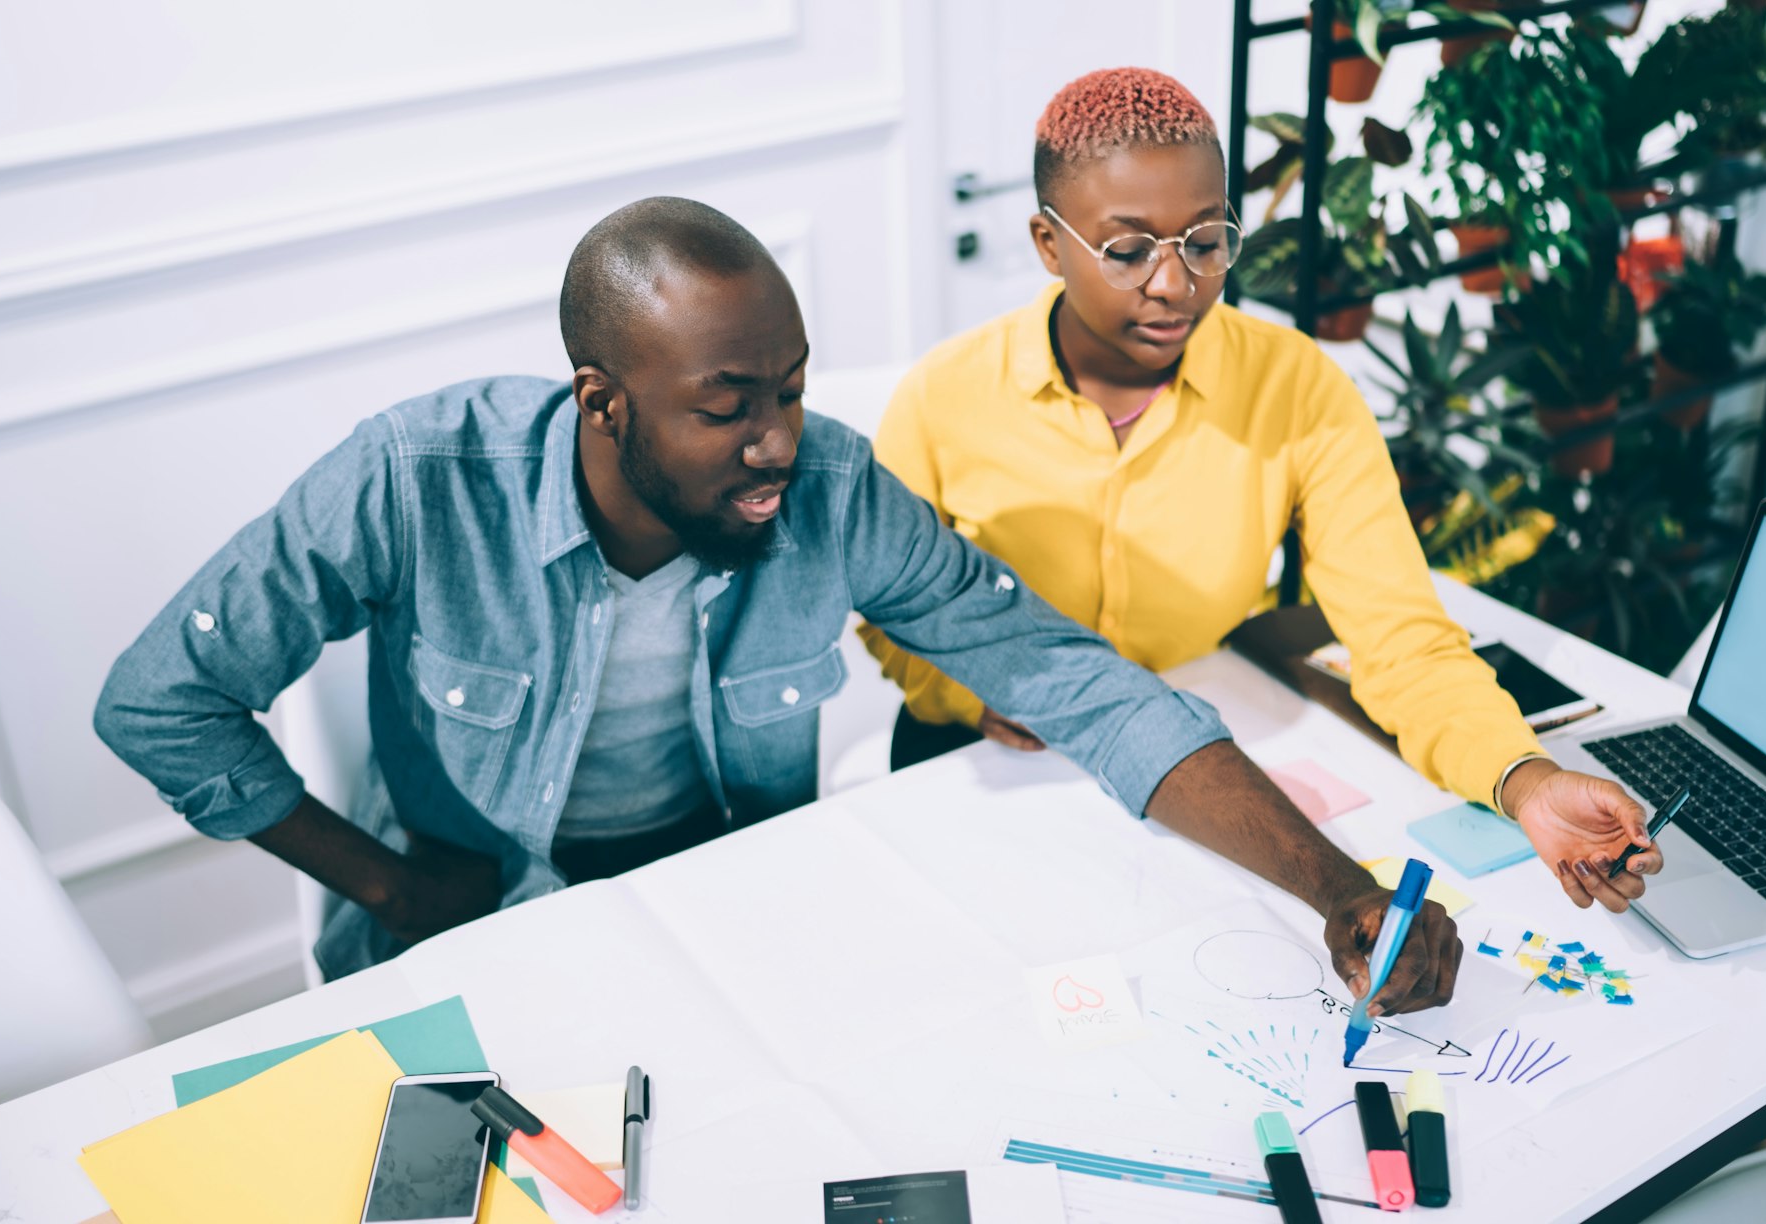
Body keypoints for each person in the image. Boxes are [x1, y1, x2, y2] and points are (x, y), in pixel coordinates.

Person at [95, 196, 1463, 1012]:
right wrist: (388, 883)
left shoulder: (831, 490)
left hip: (730, 908)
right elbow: (159, 700)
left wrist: (1340, 892)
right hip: (479, 930)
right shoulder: (414, 477)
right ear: (602, 400)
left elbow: (1073, 679)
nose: (777, 443)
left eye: (793, 389)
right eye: (726, 408)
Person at [858, 68, 1663, 913]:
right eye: (1127, 252)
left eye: (1205, 243)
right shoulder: (944, 397)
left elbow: (1399, 637)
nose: (1174, 286)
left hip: (1200, 772)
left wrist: (1524, 780)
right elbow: (886, 613)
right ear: (1049, 244)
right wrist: (978, 691)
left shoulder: (1296, 387)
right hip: (989, 764)